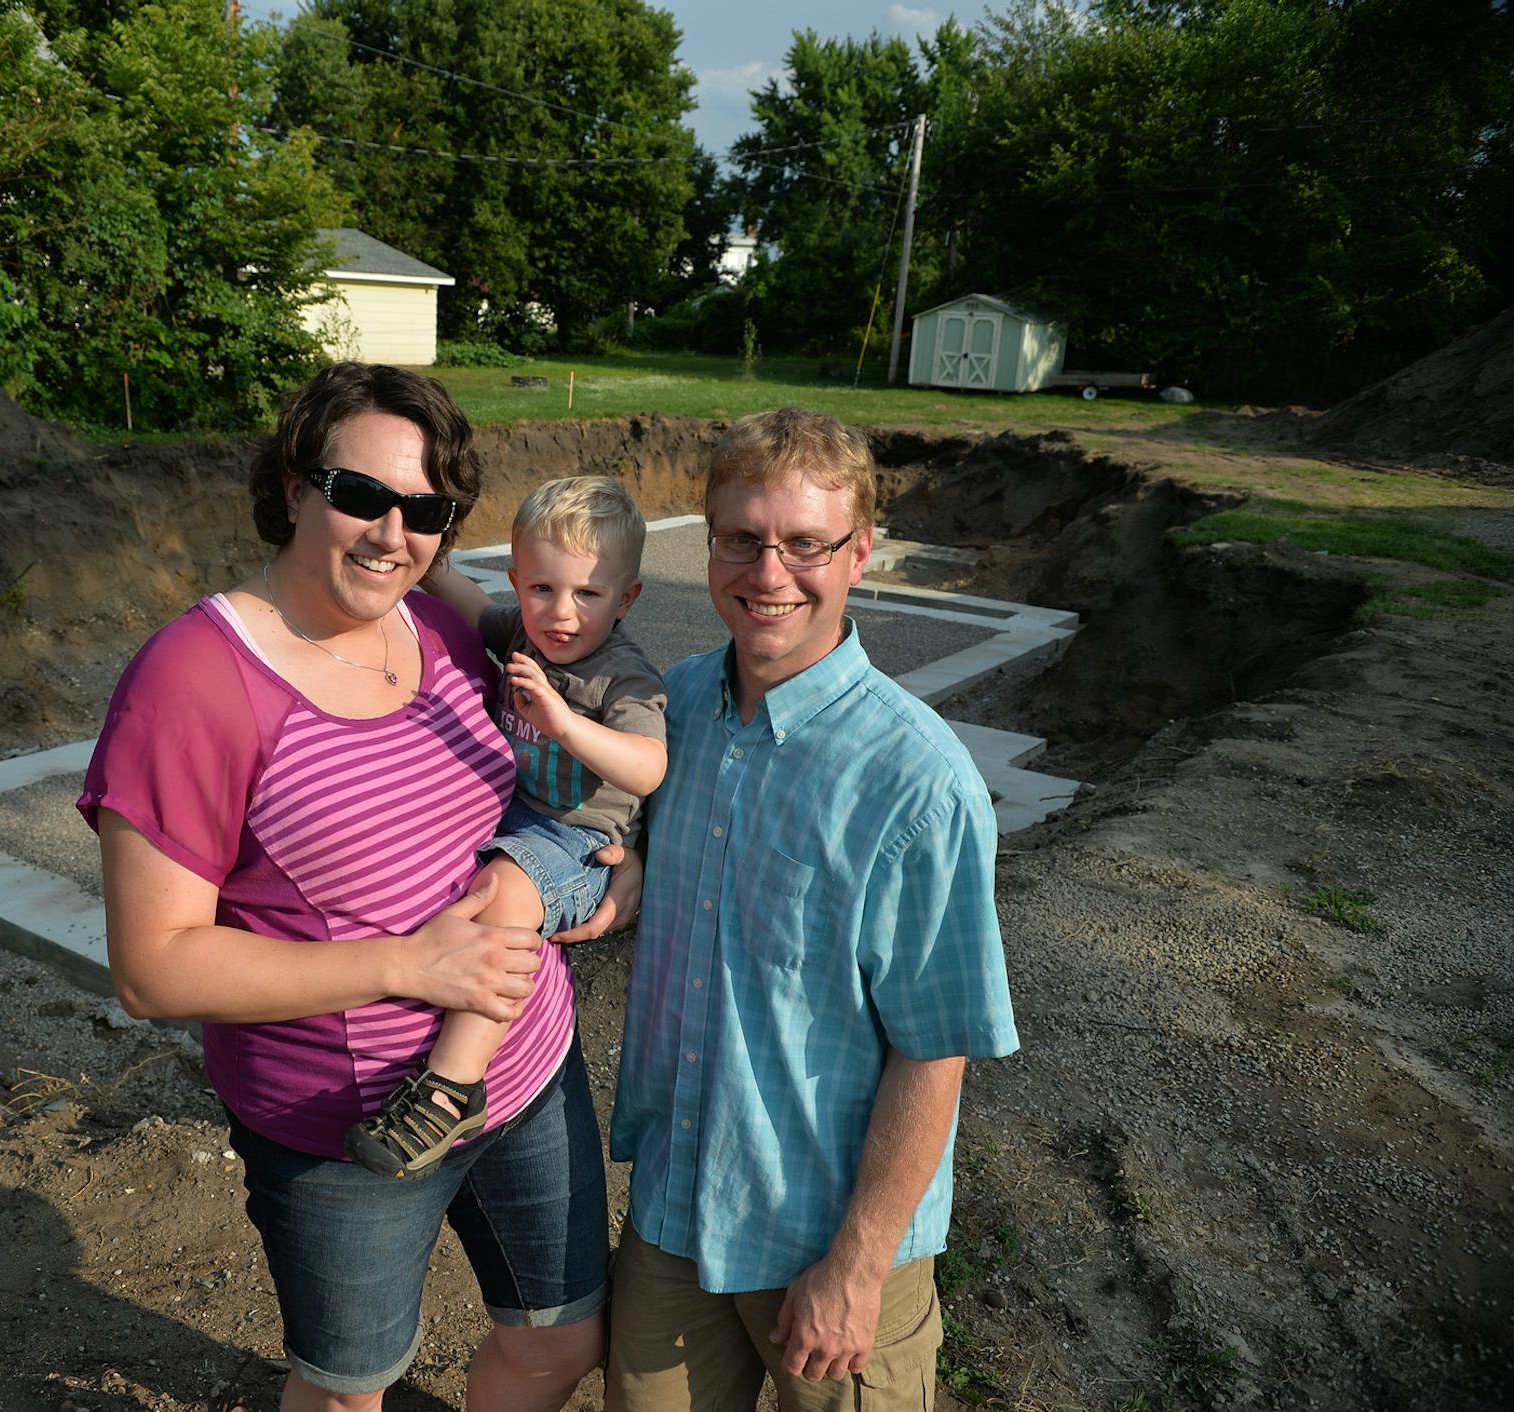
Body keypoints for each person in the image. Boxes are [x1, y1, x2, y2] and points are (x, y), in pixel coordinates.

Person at [77, 362, 620, 1412]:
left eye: (425, 509)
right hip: (348, 1133)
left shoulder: (445, 628)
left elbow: (551, 769)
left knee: (562, 1340)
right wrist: (411, 964)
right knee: (347, 1391)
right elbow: (154, 965)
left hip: (531, 1073)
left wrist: (608, 856)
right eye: (361, 494)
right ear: (293, 487)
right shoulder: (193, 679)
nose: (391, 532)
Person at [605, 408, 1020, 1412]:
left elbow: (936, 1049)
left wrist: (858, 1263)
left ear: (861, 553)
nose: (769, 572)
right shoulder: (680, 710)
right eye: (742, 539)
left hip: (823, 1245)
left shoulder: (919, 782)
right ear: (708, 544)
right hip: (674, 1206)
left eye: (805, 543)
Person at [346, 476, 667, 1178]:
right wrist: (431, 568)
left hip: (580, 841)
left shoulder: (625, 677)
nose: (561, 613)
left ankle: (453, 1085)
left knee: (512, 893)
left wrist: (566, 722)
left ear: (627, 596)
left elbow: (646, 768)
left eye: (588, 594)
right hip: (519, 818)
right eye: (543, 589)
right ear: (520, 582)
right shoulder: (523, 630)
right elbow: (470, 604)